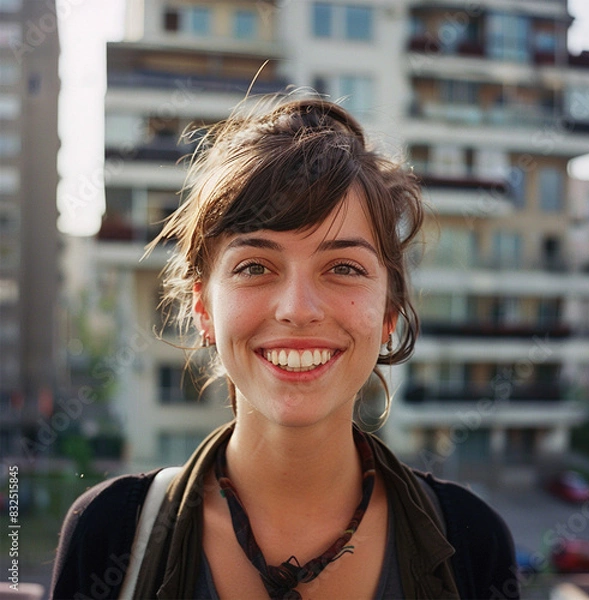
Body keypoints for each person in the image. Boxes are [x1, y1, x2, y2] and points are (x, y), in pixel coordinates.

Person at [51, 97, 518, 600]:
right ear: (203, 307)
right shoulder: (109, 536)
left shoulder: (472, 543)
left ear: (388, 312)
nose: (298, 309)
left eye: (344, 267)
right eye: (254, 266)